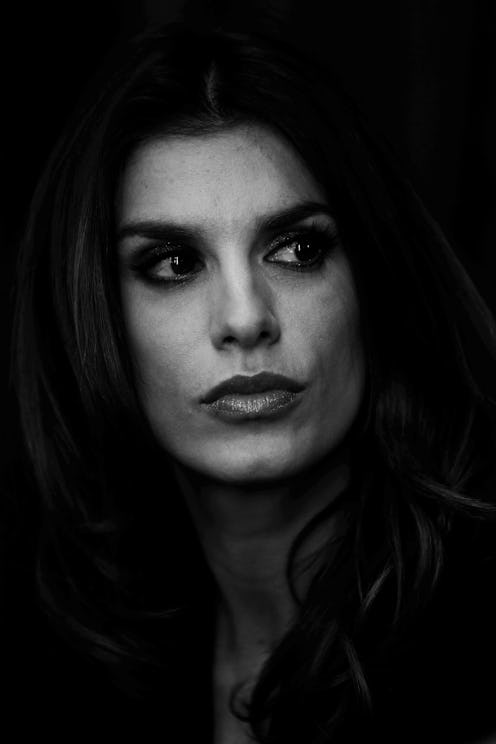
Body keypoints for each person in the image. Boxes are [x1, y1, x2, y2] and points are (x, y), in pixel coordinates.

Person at [2, 15, 496, 744]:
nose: (245, 318)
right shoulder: (78, 661)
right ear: (93, 315)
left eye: (297, 250)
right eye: (174, 263)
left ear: (375, 278)